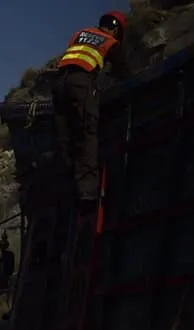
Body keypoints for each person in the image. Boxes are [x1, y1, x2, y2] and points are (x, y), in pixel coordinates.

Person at [52, 10, 130, 208]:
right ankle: (87, 193)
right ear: (116, 30)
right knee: (87, 133)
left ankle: (65, 187)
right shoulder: (109, 41)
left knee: (64, 135)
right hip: (81, 83)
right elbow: (123, 71)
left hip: (60, 83)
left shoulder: (81, 33)